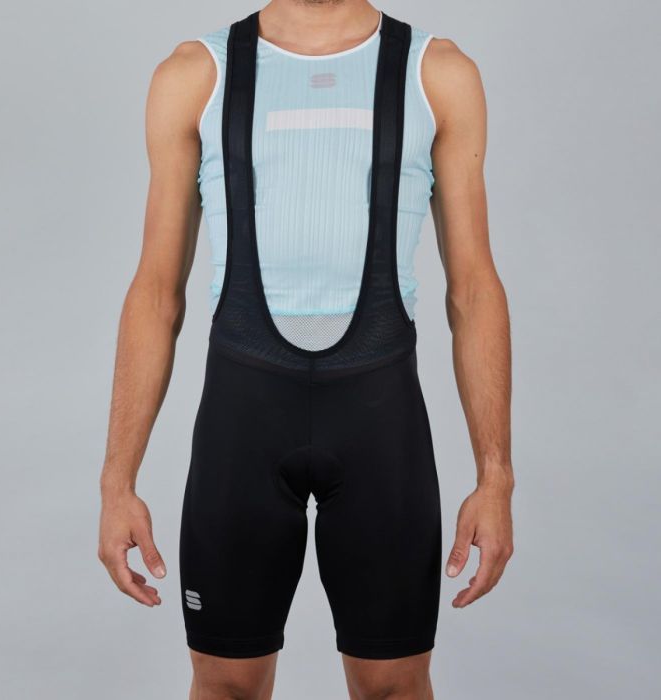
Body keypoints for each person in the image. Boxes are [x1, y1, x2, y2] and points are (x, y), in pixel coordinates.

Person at [98, 1, 514, 697]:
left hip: (380, 426)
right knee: (224, 684)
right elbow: (155, 292)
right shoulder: (195, 74)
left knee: (395, 685)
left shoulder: (436, 73)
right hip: (243, 423)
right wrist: (117, 483)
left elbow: (473, 289)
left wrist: (496, 478)